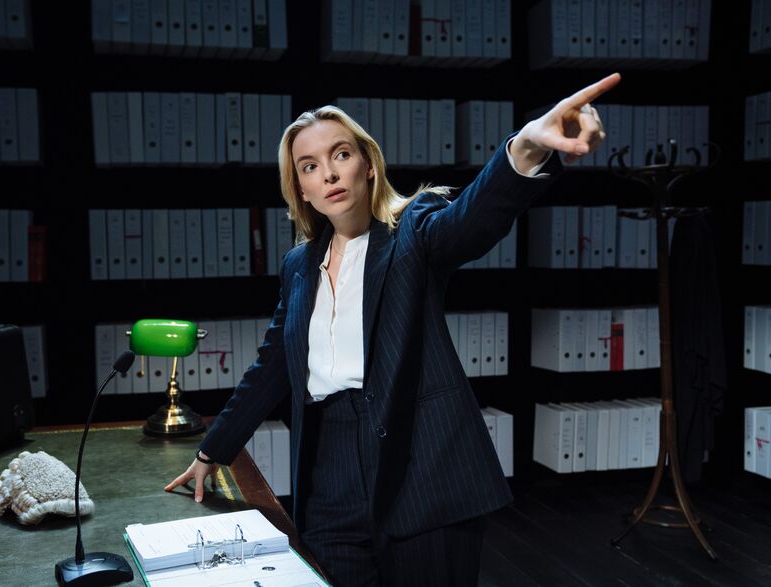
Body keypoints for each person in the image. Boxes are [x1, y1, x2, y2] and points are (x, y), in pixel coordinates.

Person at [165, 72, 621, 585]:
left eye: (340, 155)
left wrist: (527, 146)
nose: (329, 174)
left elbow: (471, 219)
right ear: (303, 190)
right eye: (309, 166)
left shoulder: (413, 231)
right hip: (327, 475)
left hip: (419, 465)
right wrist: (212, 451)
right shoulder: (298, 266)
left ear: (368, 165)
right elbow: (271, 366)